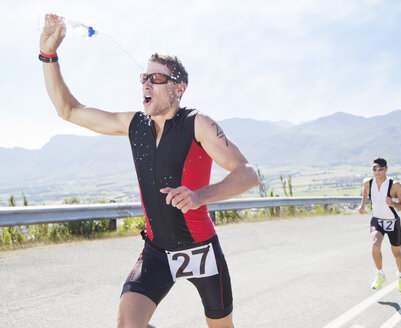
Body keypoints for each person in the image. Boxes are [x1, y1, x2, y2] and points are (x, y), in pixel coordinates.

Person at [39, 14, 259, 328]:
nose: (146, 83)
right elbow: (68, 110)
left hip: (200, 249)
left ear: (179, 88)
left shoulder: (198, 123)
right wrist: (48, 56)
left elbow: (247, 174)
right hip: (157, 251)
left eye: (157, 78)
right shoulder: (134, 125)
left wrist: (199, 196)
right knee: (129, 325)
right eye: (144, 77)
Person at [359, 157, 401, 292]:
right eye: (374, 169)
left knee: (397, 254)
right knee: (375, 244)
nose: (377, 172)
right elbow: (365, 191)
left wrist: (393, 203)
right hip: (377, 220)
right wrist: (362, 205)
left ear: (386, 169)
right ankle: (380, 273)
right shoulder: (368, 183)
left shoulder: (395, 185)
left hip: (392, 222)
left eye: (380, 169)